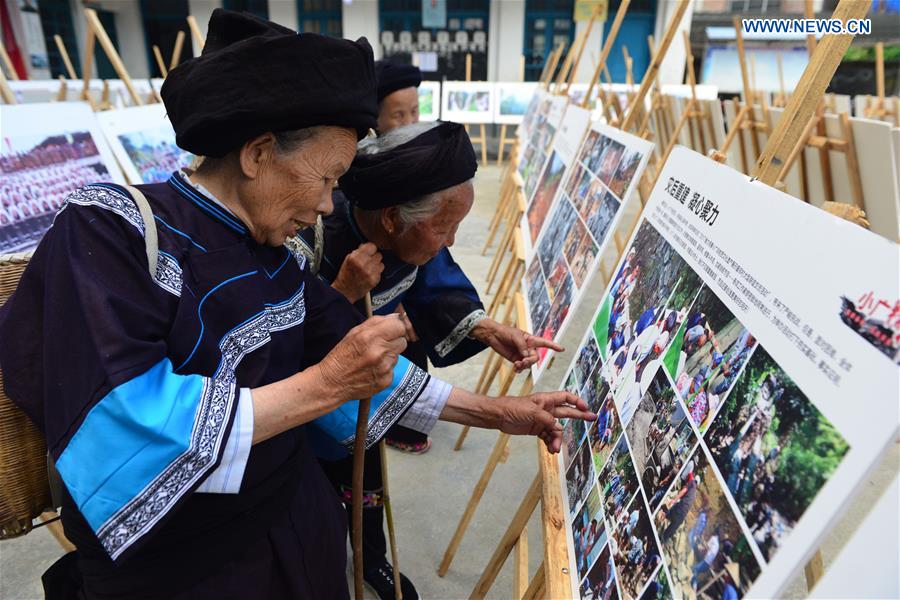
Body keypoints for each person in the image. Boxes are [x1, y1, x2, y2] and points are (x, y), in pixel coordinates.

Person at [0, 11, 596, 599]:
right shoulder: (112, 229)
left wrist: (499, 412)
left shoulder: (278, 256)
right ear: (259, 153)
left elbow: (362, 367)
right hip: (187, 571)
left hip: (299, 525)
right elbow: (123, 419)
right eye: (328, 178)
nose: (331, 207)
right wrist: (327, 385)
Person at [291, 121, 563, 598]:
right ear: (393, 218)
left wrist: (487, 327)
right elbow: (283, 343)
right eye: (444, 226)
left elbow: (436, 281)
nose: (451, 240)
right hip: (303, 411)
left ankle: (371, 560)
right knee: (312, 506)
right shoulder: (309, 237)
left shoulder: (412, 239)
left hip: (365, 400)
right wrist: (343, 294)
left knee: (367, 488)